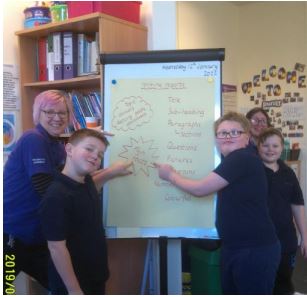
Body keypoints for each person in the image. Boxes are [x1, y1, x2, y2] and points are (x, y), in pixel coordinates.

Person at [3, 90, 130, 292]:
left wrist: (85, 143)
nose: (57, 118)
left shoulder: (56, 143)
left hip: (39, 236)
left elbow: (75, 183)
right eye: (50, 112)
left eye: (63, 113)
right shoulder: (33, 139)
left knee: (60, 283)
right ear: (38, 113)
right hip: (15, 237)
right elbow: (51, 190)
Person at [155, 111, 280, 294]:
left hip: (253, 250)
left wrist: (170, 175)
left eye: (235, 132)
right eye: (222, 133)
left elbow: (200, 189)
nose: (228, 136)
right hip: (238, 248)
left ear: (247, 137)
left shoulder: (241, 158)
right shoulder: (236, 159)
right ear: (216, 138)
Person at [39, 128, 132, 295]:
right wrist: (74, 290)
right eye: (89, 149)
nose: (95, 156)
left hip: (94, 277)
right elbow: (56, 248)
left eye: (100, 154)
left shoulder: (85, 181)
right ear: (69, 149)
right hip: (73, 285)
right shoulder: (56, 196)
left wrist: (112, 173)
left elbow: (89, 192)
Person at [257, 127, 307, 294]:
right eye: (266, 145)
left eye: (275, 146)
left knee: (283, 284)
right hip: (259, 241)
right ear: (258, 147)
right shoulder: (252, 171)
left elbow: (297, 204)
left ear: (282, 148)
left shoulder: (288, 173)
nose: (270, 150)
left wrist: (304, 236)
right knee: (261, 283)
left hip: (286, 240)